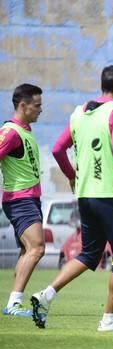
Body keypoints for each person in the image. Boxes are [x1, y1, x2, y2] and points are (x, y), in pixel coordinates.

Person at [30, 65, 113, 332]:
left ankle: (47, 294)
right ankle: (109, 320)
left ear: (102, 85)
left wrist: (72, 175)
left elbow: (59, 149)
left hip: (85, 197)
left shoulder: (78, 113)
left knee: (89, 253)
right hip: (110, 196)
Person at [1, 84, 45, 317]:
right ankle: (13, 304)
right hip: (19, 199)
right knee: (37, 247)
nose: (40, 110)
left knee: (27, 249)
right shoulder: (10, 132)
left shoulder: (24, 130)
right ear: (22, 105)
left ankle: (13, 301)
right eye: (37, 105)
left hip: (29, 199)